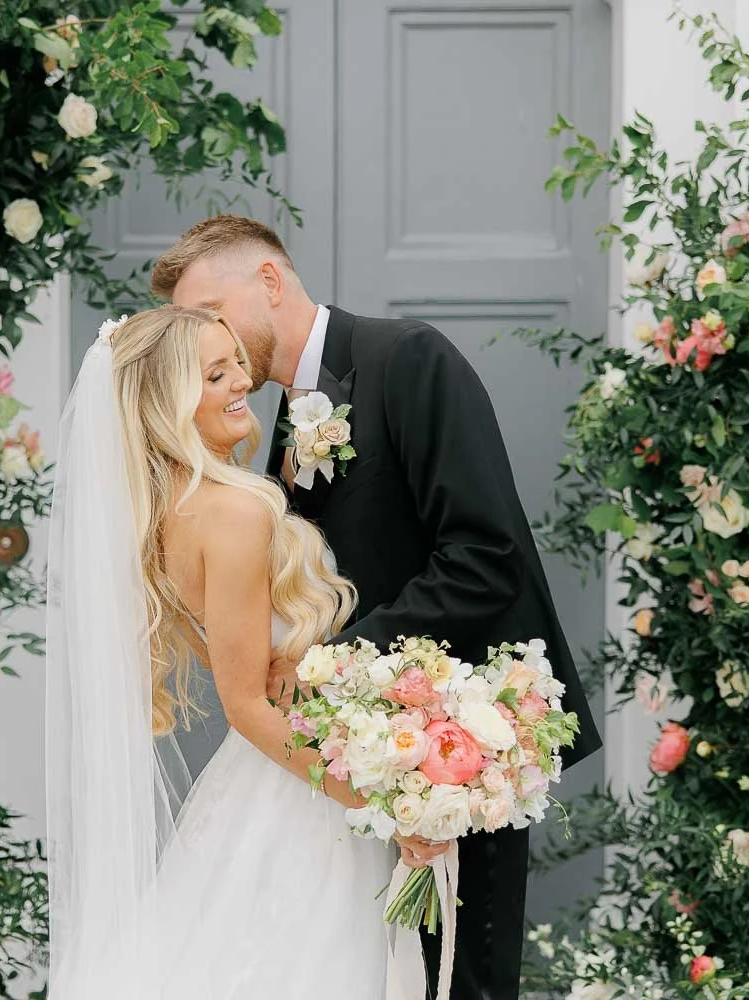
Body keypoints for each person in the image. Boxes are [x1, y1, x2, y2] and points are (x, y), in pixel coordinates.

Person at [153, 216, 602, 1000]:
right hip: (368, 759)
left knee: (460, 982)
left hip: (459, 742)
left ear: (269, 281)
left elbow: (486, 556)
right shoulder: (280, 422)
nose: (204, 340)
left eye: (210, 312)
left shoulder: (407, 359)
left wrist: (326, 664)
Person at [44, 305, 443, 998]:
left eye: (236, 363)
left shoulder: (169, 513)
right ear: (167, 402)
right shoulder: (233, 511)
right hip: (297, 795)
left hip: (275, 776)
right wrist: (382, 803)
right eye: (215, 375)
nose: (242, 383)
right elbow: (247, 703)